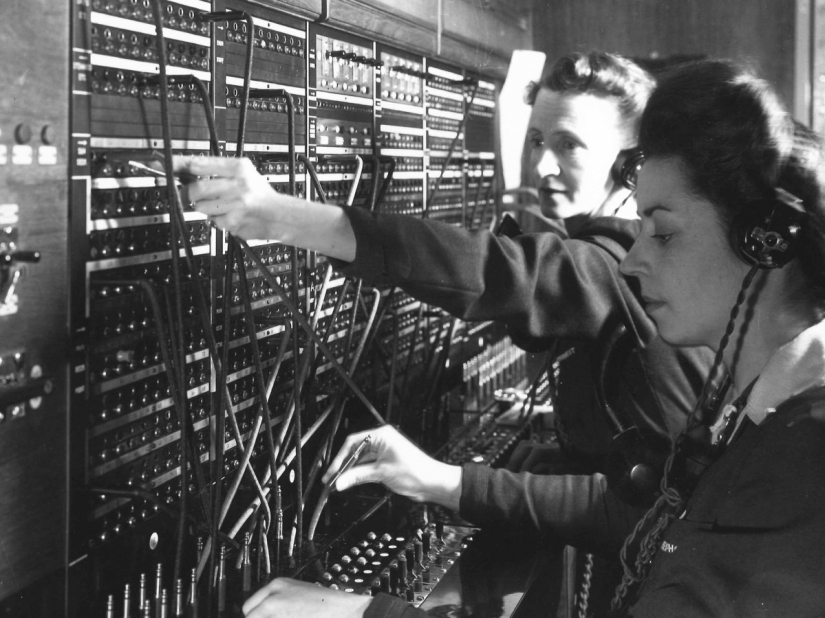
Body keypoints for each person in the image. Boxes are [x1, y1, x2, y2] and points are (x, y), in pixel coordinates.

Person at [236, 59, 825, 617]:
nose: (635, 260)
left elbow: (501, 273)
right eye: (535, 141)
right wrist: (441, 482)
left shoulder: (800, 452)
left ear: (764, 245)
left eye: (664, 234)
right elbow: (633, 512)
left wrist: (283, 216)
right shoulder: (755, 416)